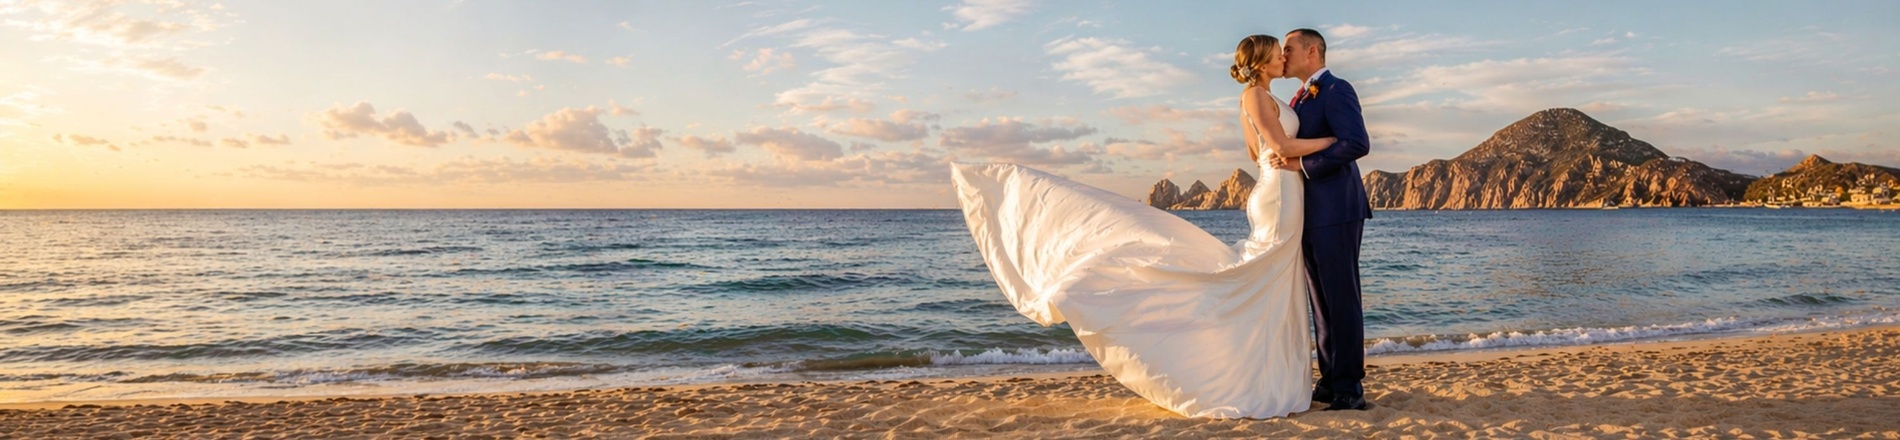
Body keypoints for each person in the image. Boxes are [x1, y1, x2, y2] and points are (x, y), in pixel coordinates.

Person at [947, 33, 1343, 418]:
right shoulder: (1254, 95)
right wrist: (1332, 142)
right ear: (1261, 62)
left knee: (1270, 284)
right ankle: (1239, 377)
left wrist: (1289, 155)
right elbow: (1277, 149)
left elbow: (1257, 150)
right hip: (1278, 195)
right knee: (1255, 279)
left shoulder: (1268, 96)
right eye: (1278, 52)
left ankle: (1268, 376)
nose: (1283, 57)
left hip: (1284, 191)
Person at [1271, 28, 1374, 411]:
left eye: (1289, 49)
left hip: (1337, 210)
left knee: (1342, 297)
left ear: (1312, 51)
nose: (1284, 56)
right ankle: (1331, 378)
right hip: (1310, 213)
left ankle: (1350, 386)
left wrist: (1304, 164)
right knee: (1321, 301)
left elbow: (1357, 143)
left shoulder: (1336, 89)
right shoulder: (1298, 98)